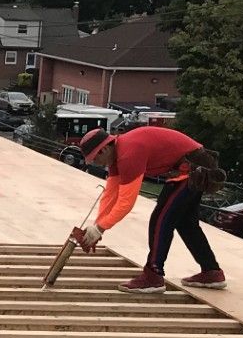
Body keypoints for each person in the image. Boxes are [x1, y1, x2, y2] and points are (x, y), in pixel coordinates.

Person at [71, 124, 226, 293]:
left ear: (103, 150)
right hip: (192, 167)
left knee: (161, 220)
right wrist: (97, 227)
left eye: (94, 158)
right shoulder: (116, 155)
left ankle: (153, 275)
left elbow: (125, 203)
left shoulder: (128, 154)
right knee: (186, 224)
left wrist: (100, 228)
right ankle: (212, 272)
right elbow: (110, 194)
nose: (95, 163)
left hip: (193, 168)